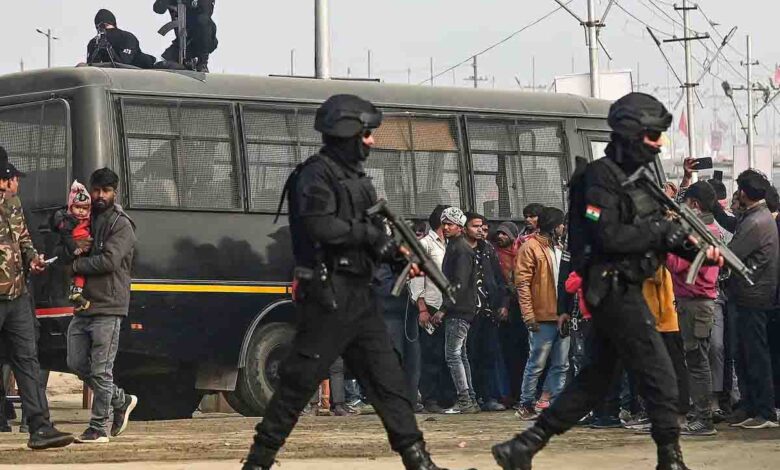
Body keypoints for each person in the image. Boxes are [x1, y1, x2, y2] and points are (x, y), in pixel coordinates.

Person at [492, 93, 723, 470]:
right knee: (661, 376)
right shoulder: (598, 179)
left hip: (625, 288)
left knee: (595, 381)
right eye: (653, 135)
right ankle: (670, 458)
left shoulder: (638, 180)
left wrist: (696, 249)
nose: (659, 144)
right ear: (632, 133)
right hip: (612, 290)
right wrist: (661, 233)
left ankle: (523, 446)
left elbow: (654, 231)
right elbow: (608, 236)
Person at [243, 95, 452, 470]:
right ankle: (258, 462)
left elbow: (374, 235)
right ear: (348, 133)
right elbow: (320, 227)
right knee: (298, 383)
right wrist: (370, 236)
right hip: (328, 295)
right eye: (367, 134)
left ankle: (418, 460)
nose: (371, 141)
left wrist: (397, 255)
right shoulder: (314, 176)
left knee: (389, 381)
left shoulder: (359, 181)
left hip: (360, 296)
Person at [0, 146, 74, 449]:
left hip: (17, 295)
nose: (9, 183)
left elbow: (23, 238)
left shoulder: (14, 204)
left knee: (27, 358)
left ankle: (40, 427)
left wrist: (33, 259)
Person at [66, 168, 138, 443]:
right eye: (96, 190)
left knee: (101, 369)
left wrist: (76, 265)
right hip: (84, 305)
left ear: (114, 193)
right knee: (75, 362)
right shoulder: (85, 217)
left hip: (108, 305)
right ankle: (121, 400)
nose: (99, 196)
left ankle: (99, 427)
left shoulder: (122, 224)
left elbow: (109, 261)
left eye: (105, 191)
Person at [723, 170, 779, 429]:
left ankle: (765, 411)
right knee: (743, 354)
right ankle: (750, 406)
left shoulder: (756, 222)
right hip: (748, 295)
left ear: (744, 193)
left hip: (753, 297)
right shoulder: (756, 216)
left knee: (755, 355)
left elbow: (731, 254)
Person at [665, 181, 721, 436]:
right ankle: (702, 414)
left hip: (695, 303)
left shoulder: (698, 233)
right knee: (698, 361)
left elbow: (676, 264)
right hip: (699, 302)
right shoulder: (710, 228)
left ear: (695, 205)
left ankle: (703, 419)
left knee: (697, 362)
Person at [513, 207, 569, 421]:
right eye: (561, 224)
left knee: (561, 364)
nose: (563, 228)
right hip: (541, 316)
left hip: (561, 315)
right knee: (536, 363)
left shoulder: (560, 248)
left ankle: (554, 404)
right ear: (554, 226)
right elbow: (522, 284)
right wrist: (528, 315)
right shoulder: (530, 247)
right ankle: (526, 404)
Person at [410, 205, 456, 414]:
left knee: (449, 354)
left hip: (450, 307)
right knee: (431, 354)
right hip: (430, 304)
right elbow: (416, 278)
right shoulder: (424, 244)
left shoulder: (452, 244)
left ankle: (448, 397)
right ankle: (430, 398)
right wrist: (422, 309)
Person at [438, 209, 481, 414]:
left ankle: (465, 400)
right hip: (462, 307)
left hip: (459, 309)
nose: (446, 227)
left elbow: (460, 283)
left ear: (460, 226)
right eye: (444, 223)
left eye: (451, 224)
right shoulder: (458, 246)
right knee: (460, 355)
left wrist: (443, 308)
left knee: (453, 355)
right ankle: (469, 398)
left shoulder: (460, 249)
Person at [467, 213, 510, 412]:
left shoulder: (487, 250)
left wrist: (503, 303)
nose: (480, 231)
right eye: (475, 226)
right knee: (469, 355)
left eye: (483, 227)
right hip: (467, 312)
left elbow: (500, 280)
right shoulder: (458, 248)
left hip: (488, 310)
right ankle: (471, 396)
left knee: (489, 354)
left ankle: (488, 396)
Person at [493, 221, 530, 409]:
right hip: (503, 309)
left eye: (505, 233)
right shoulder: (494, 255)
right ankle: (509, 394)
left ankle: (522, 393)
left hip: (522, 308)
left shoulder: (521, 253)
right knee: (507, 355)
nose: (500, 237)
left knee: (523, 354)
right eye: (499, 233)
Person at [50, 181, 93, 312]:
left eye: (85, 208)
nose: (81, 211)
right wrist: (74, 248)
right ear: (71, 207)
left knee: (82, 272)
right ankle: (76, 292)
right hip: (75, 251)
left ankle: (77, 292)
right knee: (78, 270)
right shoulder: (69, 220)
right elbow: (66, 236)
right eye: (77, 207)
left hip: (84, 251)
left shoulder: (90, 220)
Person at [154, 0, 217, 72]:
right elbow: (158, 9)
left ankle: (202, 63)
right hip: (180, 44)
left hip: (201, 42)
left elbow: (206, 11)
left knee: (203, 21)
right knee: (162, 66)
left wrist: (187, 2)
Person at [87, 9, 156, 68]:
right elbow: (92, 67)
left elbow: (125, 62)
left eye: (106, 25)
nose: (104, 30)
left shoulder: (126, 37)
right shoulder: (94, 42)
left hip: (142, 69)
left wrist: (110, 49)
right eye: (100, 27)